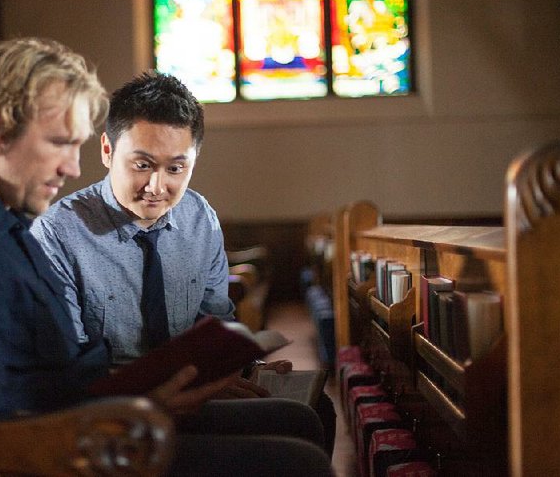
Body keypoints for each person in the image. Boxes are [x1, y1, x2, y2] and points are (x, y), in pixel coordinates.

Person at [0, 37, 331, 476]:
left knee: (303, 420)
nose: (71, 166)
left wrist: (166, 391)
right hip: (67, 451)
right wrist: (146, 409)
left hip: (96, 422)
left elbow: (53, 372)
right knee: (298, 460)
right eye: (60, 143)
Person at [31, 71, 335, 456]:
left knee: (312, 409)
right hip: (114, 419)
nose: (157, 187)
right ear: (107, 150)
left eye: (176, 168)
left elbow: (216, 322)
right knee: (297, 452)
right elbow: (64, 372)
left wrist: (245, 365)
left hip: (192, 394)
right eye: (142, 165)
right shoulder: (58, 234)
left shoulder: (198, 217)